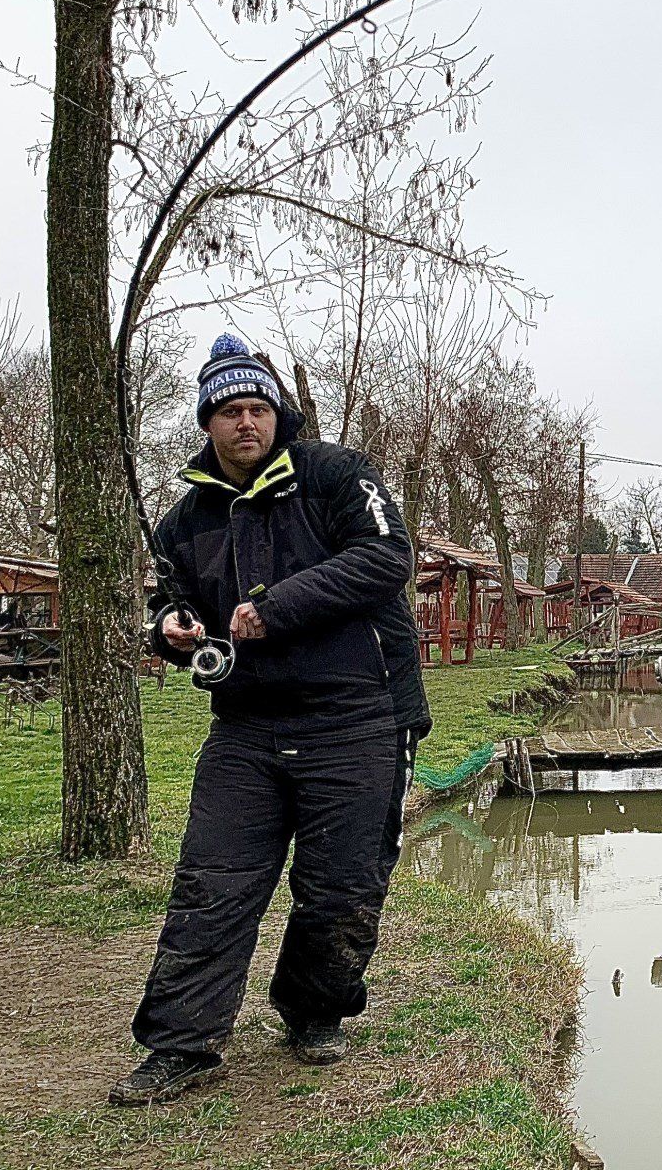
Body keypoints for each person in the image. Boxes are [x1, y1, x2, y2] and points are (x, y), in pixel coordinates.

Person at [109, 333, 428, 1107]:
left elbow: (390, 559)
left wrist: (276, 608)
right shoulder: (184, 518)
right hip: (246, 728)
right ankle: (181, 1044)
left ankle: (313, 1011)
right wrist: (172, 629)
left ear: (277, 413)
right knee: (210, 885)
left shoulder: (336, 476)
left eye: (258, 407)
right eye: (229, 411)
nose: (246, 422)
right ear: (207, 422)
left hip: (360, 716)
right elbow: (168, 596)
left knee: (341, 888)